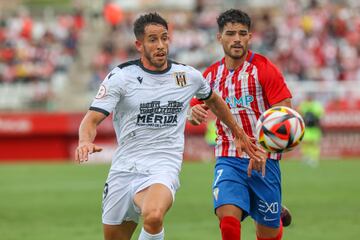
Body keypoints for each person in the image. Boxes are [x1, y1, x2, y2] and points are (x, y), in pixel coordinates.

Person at [75, 12, 265, 240]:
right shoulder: (121, 77)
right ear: (139, 44)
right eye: (153, 40)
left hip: (162, 167)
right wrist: (85, 140)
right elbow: (91, 119)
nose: (161, 45)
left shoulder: (187, 76)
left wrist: (239, 133)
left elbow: (214, 100)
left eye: (165, 38)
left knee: (154, 216)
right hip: (123, 170)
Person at [189, 9, 293, 240]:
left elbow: (285, 113)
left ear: (249, 37)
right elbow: (194, 108)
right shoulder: (211, 74)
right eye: (230, 33)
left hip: (264, 160)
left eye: (242, 33)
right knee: (228, 221)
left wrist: (264, 152)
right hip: (228, 156)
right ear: (220, 38)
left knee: (268, 233)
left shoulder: (264, 69)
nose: (236, 38)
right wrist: (193, 111)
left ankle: (273, 217)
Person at [298, 93, 324, 167]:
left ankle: (314, 158)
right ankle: (306, 156)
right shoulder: (303, 105)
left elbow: (320, 116)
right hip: (307, 128)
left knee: (314, 144)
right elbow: (300, 114)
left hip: (314, 128)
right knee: (305, 143)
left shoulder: (317, 105)